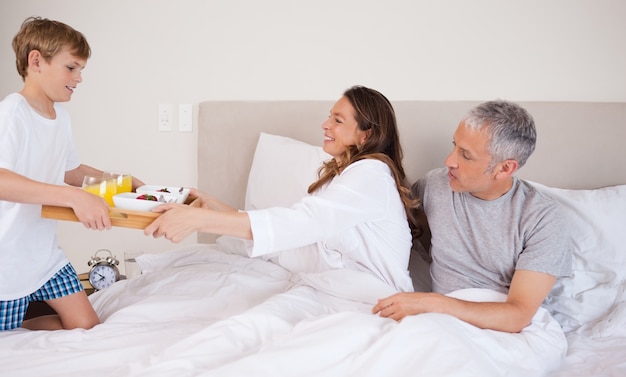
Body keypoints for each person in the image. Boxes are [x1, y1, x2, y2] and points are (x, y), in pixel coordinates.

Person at [145, 85, 419, 292]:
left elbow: (302, 223)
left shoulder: (371, 175)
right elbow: (298, 239)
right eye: (329, 117)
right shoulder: (346, 177)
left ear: (366, 134)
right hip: (341, 289)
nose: (325, 125)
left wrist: (201, 220)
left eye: (338, 120)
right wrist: (213, 209)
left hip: (373, 297)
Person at [373, 100, 572, 334]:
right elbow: (384, 224)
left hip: (506, 329)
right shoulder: (435, 186)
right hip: (443, 322)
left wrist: (431, 303)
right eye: (455, 145)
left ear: (505, 168)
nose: (450, 161)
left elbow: (518, 315)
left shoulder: (544, 218)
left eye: (465, 155)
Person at [0, 17, 143, 331]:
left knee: (86, 326)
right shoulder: (13, 112)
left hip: (45, 256)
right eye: (72, 68)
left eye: (81, 70)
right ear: (36, 60)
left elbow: (71, 170)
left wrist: (121, 183)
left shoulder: (59, 117)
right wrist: (73, 198)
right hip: (6, 259)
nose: (79, 78)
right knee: (8, 340)